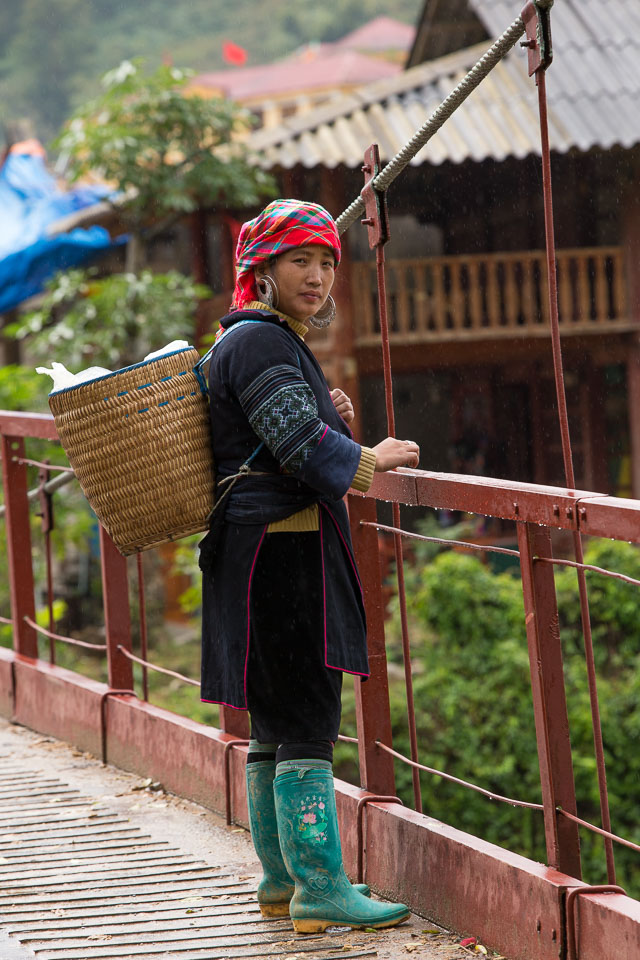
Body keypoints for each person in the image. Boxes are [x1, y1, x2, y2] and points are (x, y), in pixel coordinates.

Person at [199, 198, 419, 934]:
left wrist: (330, 417)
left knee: (273, 723)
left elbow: (276, 430)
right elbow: (298, 448)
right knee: (307, 724)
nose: (319, 275)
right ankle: (321, 887)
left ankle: (280, 880)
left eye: (327, 261)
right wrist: (369, 458)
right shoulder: (261, 343)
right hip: (282, 555)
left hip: (252, 554)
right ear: (259, 271)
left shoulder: (249, 342)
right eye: (300, 261)